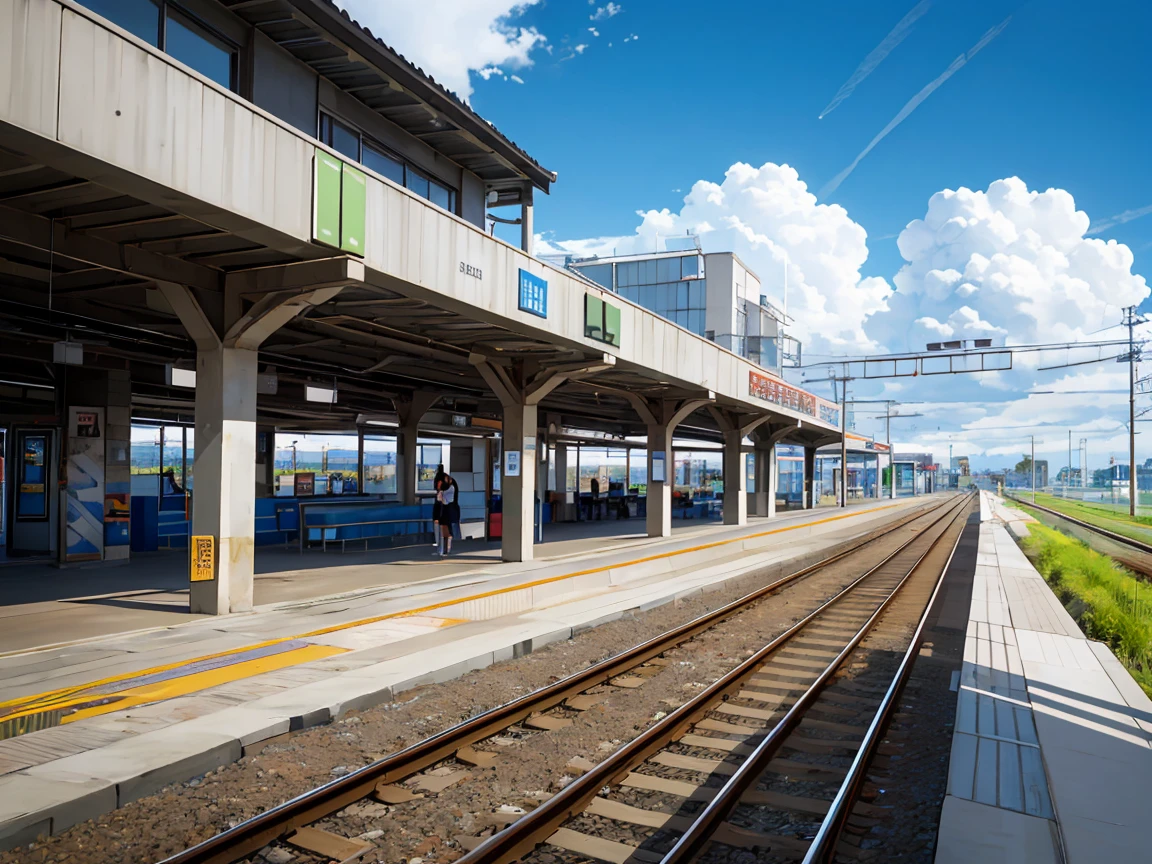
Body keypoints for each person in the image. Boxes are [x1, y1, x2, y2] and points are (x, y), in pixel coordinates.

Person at [438, 472, 461, 556]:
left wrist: (440, 491)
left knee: (448, 530)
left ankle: (447, 549)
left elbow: (443, 500)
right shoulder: (447, 489)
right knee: (444, 530)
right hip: (445, 510)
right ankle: (444, 549)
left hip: (449, 509)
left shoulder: (451, 488)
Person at [431, 464, 446, 548]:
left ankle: (438, 541)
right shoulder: (445, 476)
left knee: (437, 522)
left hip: (438, 508)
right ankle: (442, 542)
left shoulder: (438, 476)